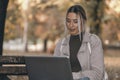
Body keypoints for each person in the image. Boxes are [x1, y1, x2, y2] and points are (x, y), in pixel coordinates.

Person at [54, 4, 104, 80]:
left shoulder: (93, 41)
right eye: (68, 21)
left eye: (75, 21)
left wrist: (72, 76)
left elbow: (98, 73)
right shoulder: (61, 43)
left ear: (83, 21)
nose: (71, 25)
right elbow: (54, 69)